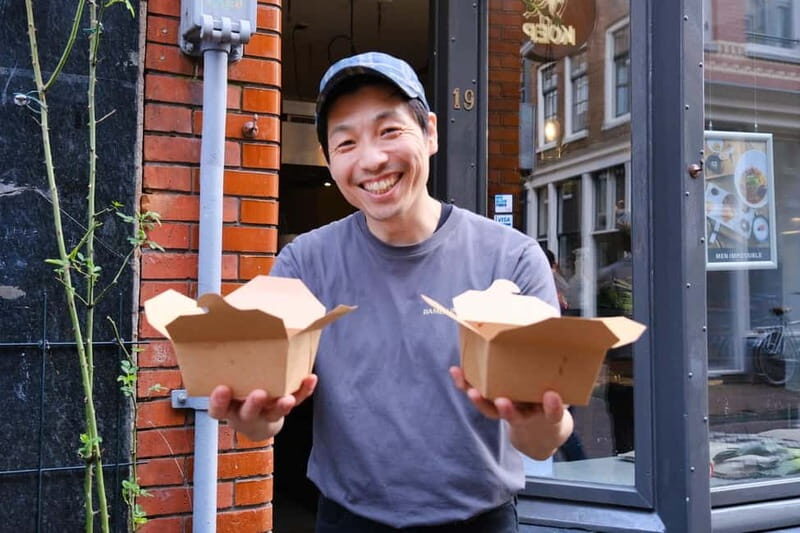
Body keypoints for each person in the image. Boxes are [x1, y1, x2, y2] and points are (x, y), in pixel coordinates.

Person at [208, 51, 573, 532]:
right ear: (331, 160)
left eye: (389, 130)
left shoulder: (511, 259)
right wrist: (255, 418)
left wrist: (537, 420)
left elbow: (543, 442)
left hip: (480, 521)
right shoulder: (303, 264)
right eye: (346, 142)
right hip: (348, 520)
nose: (371, 159)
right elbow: (264, 416)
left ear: (431, 133)